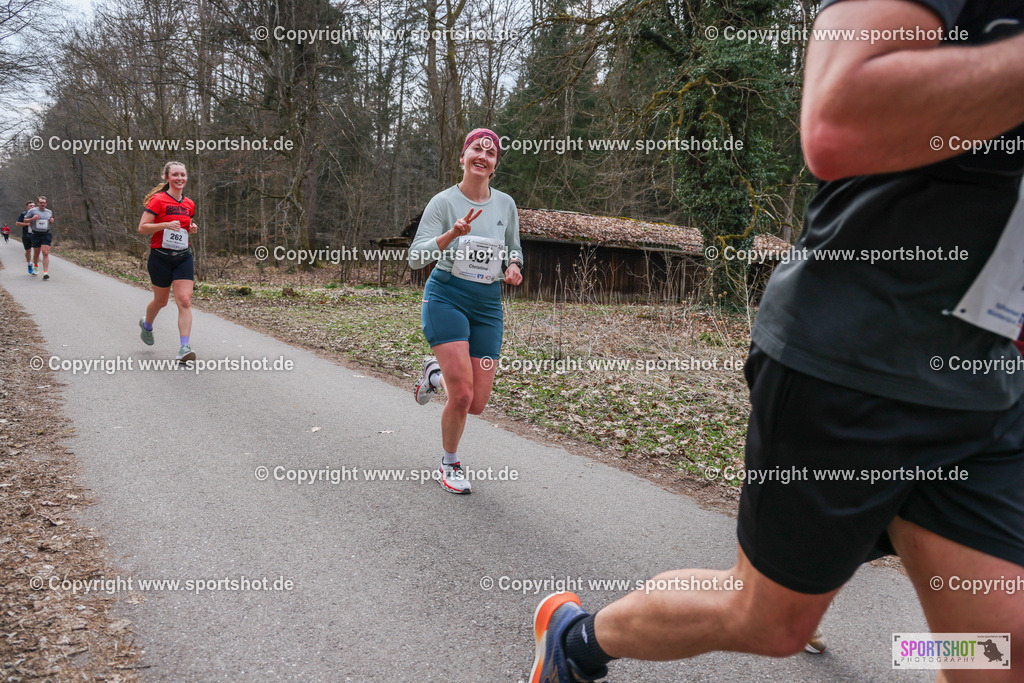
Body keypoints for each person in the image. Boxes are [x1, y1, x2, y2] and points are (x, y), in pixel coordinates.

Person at [529, 1, 1024, 680]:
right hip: (850, 363)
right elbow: (835, 120)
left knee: (1006, 641)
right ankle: (576, 638)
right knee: (770, 619)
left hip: (984, 382)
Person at [408, 128, 524, 494]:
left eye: (491, 153)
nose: (483, 155)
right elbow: (415, 258)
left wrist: (514, 266)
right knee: (460, 395)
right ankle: (450, 462)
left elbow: (513, 248)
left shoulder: (506, 204)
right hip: (446, 297)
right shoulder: (442, 203)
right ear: (463, 157)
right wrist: (450, 236)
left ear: (494, 166)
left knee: (475, 404)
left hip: (488, 304)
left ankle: (432, 376)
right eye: (477, 148)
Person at [137, 161, 198, 362]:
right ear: (167, 177)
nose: (180, 178)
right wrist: (164, 225)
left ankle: (184, 347)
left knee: (185, 300)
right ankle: (147, 325)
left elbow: (183, 226)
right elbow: (143, 227)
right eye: (175, 175)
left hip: (183, 257)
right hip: (160, 258)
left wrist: (191, 228)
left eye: (183, 175)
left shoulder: (189, 203)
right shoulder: (158, 200)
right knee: (161, 301)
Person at [23, 196, 54, 280]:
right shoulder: (32, 211)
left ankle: (45, 273)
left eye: (44, 203)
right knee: (36, 253)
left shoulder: (49, 212)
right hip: (36, 234)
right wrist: (33, 218)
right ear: (38, 203)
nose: (42, 204)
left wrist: (51, 222)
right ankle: (36, 267)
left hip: (46, 234)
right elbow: (25, 220)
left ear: (46, 204)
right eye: (41, 203)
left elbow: (49, 223)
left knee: (45, 253)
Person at [15, 201, 34, 274]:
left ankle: (35, 265)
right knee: (28, 251)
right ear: (27, 207)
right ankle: (29, 264)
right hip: (26, 235)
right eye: (30, 206)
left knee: (37, 250)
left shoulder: (38, 214)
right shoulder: (23, 214)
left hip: (36, 235)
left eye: (33, 205)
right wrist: (26, 224)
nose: (32, 207)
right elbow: (17, 223)